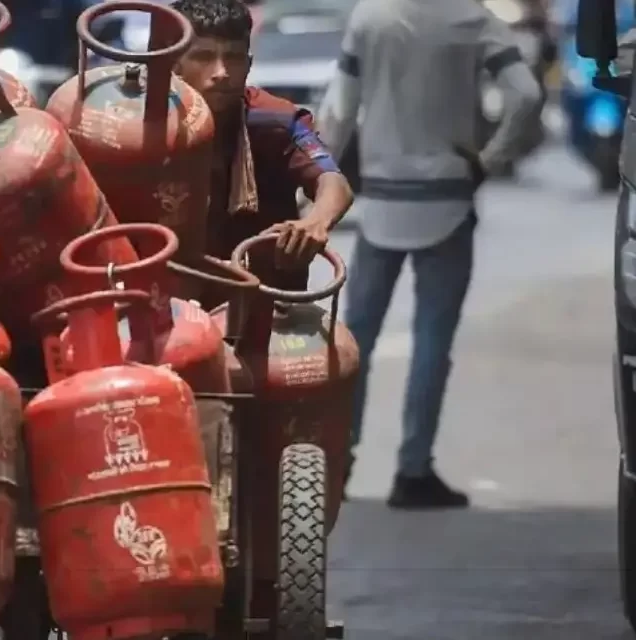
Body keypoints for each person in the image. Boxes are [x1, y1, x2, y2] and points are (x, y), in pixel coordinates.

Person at [317, 0, 541, 508]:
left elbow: (340, 111)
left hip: (381, 202)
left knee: (357, 339)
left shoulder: (368, 17)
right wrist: (492, 158)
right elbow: (526, 94)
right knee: (432, 341)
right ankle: (413, 470)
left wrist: (321, 184)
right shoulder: (473, 18)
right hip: (448, 199)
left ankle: (339, 462)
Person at [167, 0, 353, 303]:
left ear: (249, 64)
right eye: (203, 56)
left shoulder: (277, 119)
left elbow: (332, 180)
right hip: (172, 306)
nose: (221, 72)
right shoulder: (141, 125)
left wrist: (316, 221)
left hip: (266, 304)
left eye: (234, 58)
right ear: (174, 64)